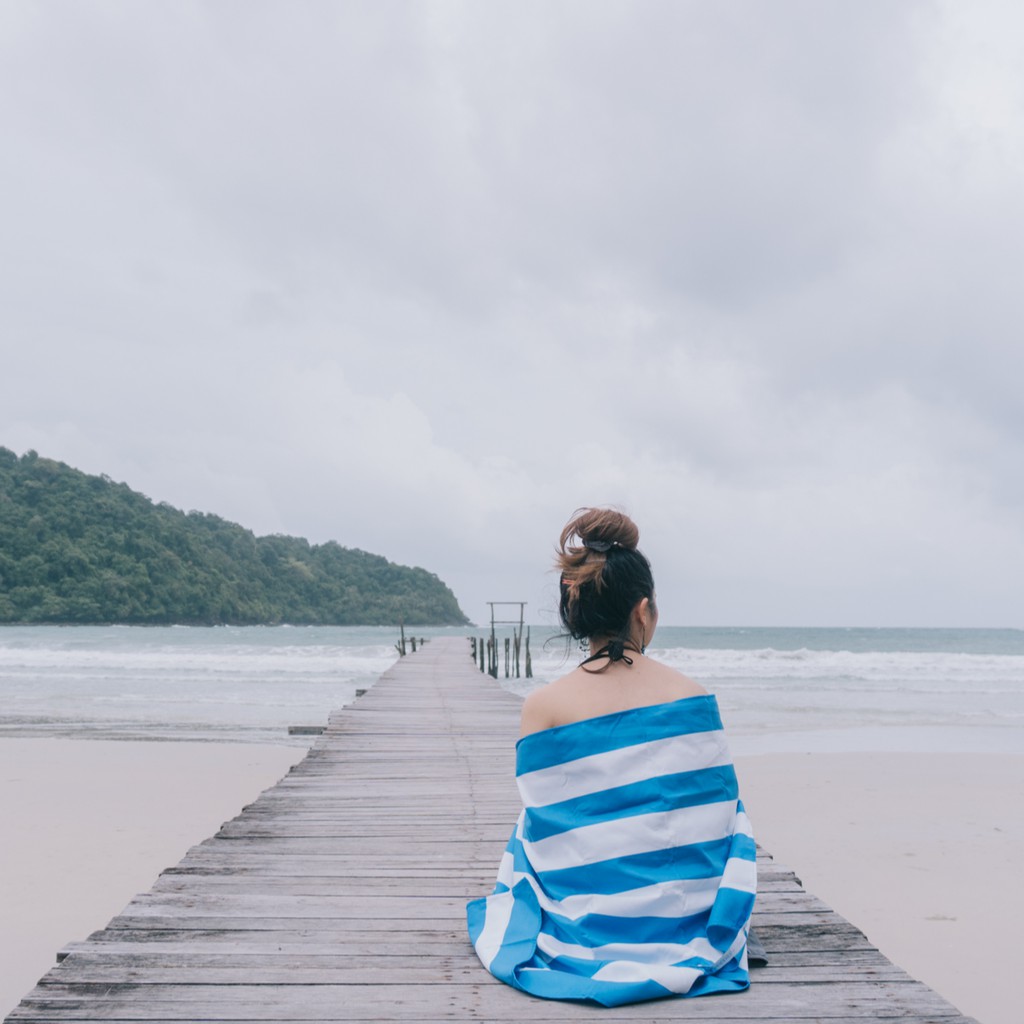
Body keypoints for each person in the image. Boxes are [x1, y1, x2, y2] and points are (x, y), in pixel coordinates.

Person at [466, 507, 757, 1006]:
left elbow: (550, 825)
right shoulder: (691, 696)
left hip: (583, 915)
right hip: (688, 919)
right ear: (643, 611)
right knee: (736, 816)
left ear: (574, 614)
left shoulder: (543, 708)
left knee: (526, 828)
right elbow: (715, 818)